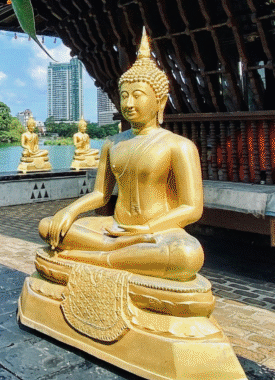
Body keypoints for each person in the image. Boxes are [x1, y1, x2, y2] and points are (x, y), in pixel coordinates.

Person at [39, 29, 203, 280]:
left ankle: (101, 256)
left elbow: (191, 208)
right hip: (115, 228)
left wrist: (145, 230)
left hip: (156, 232)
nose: (128, 104)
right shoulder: (112, 143)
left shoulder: (178, 146)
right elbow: (100, 194)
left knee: (188, 254)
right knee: (49, 226)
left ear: (160, 101)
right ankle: (116, 253)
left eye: (137, 96)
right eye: (124, 96)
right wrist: (70, 210)